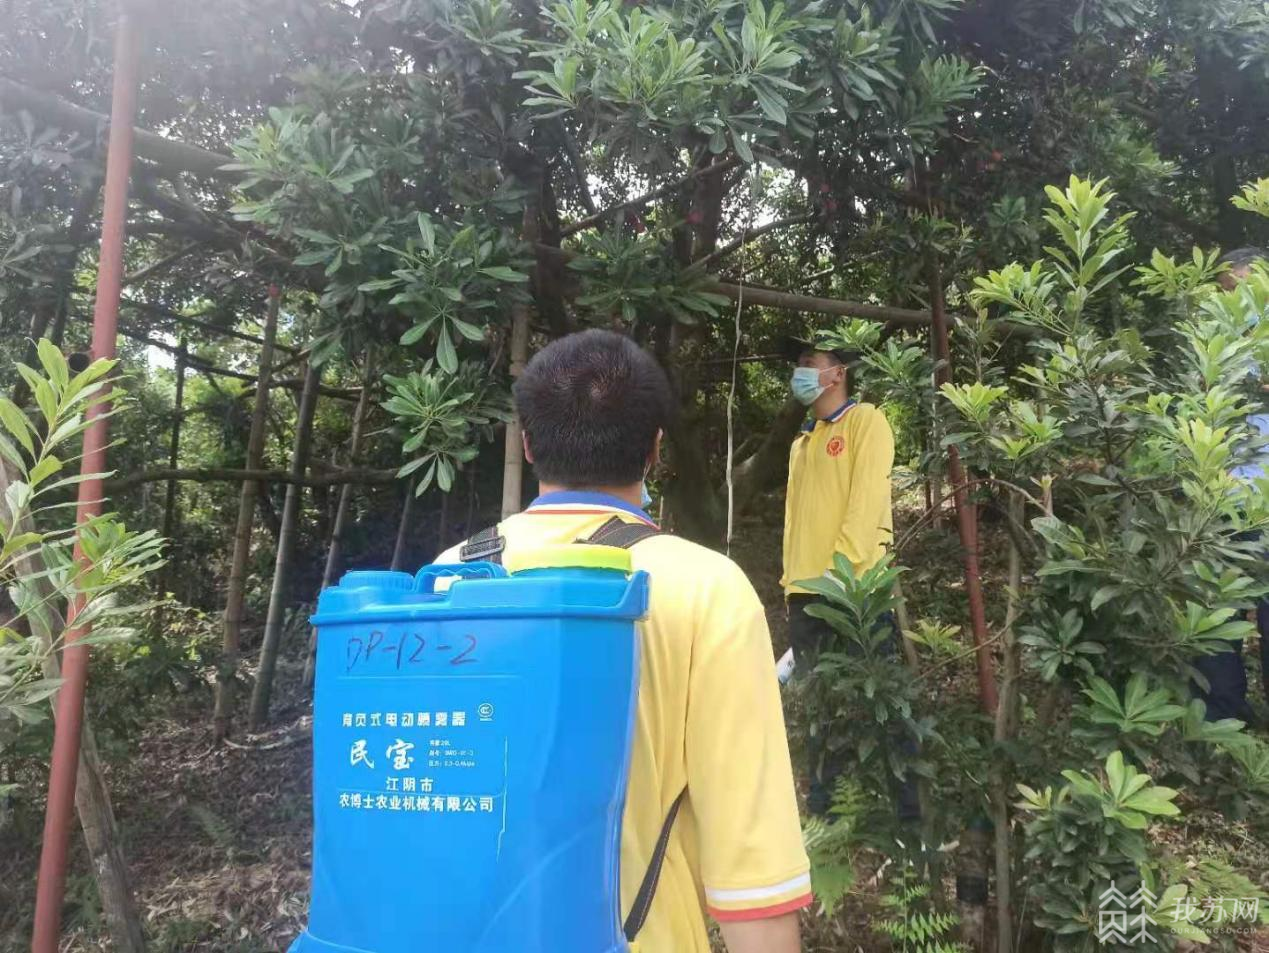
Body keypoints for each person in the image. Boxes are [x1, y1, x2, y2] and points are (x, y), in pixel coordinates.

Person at [440, 330, 811, 953]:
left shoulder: (446, 574)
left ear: (527, 444)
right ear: (655, 449)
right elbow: (754, 881)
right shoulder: (706, 588)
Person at [780, 340, 918, 820]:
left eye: (809, 364)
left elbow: (865, 505)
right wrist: (791, 582)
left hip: (855, 591)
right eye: (799, 365)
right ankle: (827, 815)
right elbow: (795, 521)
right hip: (805, 592)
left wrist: (840, 572)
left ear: (837, 374)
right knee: (818, 705)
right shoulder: (802, 443)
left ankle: (909, 816)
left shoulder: (866, 422)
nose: (800, 372)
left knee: (884, 700)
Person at [1196, 247, 1269, 723]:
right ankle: (1222, 720)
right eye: (1227, 292)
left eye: (1246, 290)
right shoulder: (1213, 343)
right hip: (1224, 497)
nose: (1236, 302)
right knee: (1218, 609)